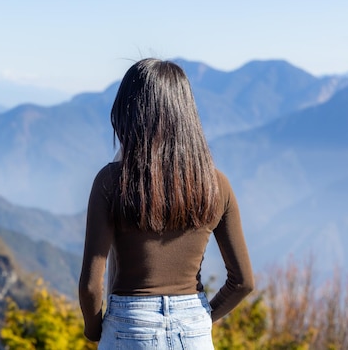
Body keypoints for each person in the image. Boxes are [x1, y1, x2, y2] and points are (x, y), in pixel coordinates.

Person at [79, 58, 254, 349]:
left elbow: (90, 286)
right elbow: (243, 282)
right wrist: (200, 319)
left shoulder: (111, 181)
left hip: (129, 328)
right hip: (194, 331)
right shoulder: (216, 184)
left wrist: (95, 331)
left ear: (127, 112)